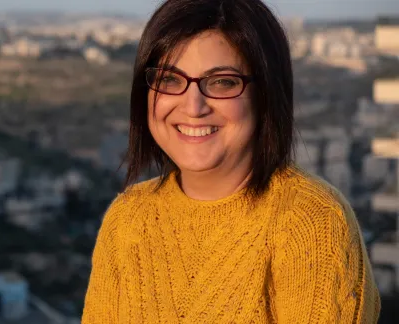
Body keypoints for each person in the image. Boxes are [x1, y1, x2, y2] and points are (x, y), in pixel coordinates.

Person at [82, 0, 381, 323]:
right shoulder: (127, 221)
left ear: (265, 93)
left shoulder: (310, 223)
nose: (193, 106)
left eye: (222, 81)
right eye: (169, 79)